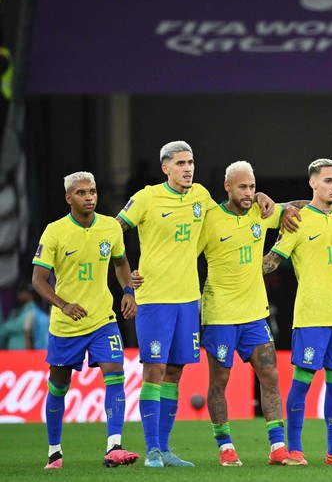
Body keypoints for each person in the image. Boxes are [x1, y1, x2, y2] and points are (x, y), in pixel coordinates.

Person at [117, 140, 276, 467]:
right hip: (155, 298)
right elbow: (111, 230)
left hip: (189, 300)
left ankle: (165, 449)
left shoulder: (201, 196)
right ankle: (151, 450)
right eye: (180, 163)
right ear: (165, 168)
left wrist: (259, 195)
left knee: (174, 373)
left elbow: (234, 208)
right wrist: (126, 277)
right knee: (155, 370)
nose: (187, 168)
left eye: (190, 162)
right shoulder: (147, 197)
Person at [32, 172, 139, 469]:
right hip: (67, 325)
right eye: (81, 193)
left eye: (92, 191)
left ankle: (114, 446)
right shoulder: (55, 232)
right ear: (69, 198)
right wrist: (63, 305)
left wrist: (128, 292)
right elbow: (38, 279)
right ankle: (55, 452)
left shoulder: (110, 227)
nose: (89, 197)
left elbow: (121, 262)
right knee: (58, 385)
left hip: (103, 319)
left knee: (115, 374)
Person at [263, 158, 332, 465]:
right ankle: (294, 448)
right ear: (313, 183)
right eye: (328, 181)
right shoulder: (297, 220)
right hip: (310, 316)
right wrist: (237, 266)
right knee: (302, 383)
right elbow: (271, 262)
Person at [191, 161, 286, 466]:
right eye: (242, 187)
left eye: (252, 187)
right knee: (220, 380)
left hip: (255, 315)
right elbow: (184, 255)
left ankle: (278, 447)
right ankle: (225, 446)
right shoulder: (210, 219)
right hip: (220, 315)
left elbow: (298, 209)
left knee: (270, 375)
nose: (248, 192)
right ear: (227, 187)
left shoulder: (261, 211)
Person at [0, 285, 48, 349]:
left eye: (22, 292)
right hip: (15, 351)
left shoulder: (32, 310)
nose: (19, 294)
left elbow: (17, 327)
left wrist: (7, 327)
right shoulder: (20, 310)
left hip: (23, 351)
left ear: (29, 294)